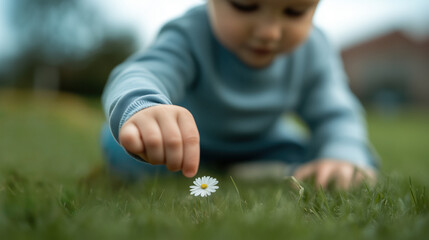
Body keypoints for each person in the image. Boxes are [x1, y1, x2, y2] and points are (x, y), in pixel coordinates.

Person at [101, 0, 378, 189]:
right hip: (184, 145)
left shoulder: (314, 50)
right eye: (245, 5)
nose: (269, 32)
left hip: (265, 144)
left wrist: (343, 155)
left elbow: (336, 114)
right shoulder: (189, 34)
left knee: (315, 155)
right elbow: (144, 71)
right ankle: (237, 170)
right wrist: (144, 107)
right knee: (127, 147)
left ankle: (254, 168)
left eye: (294, 11)